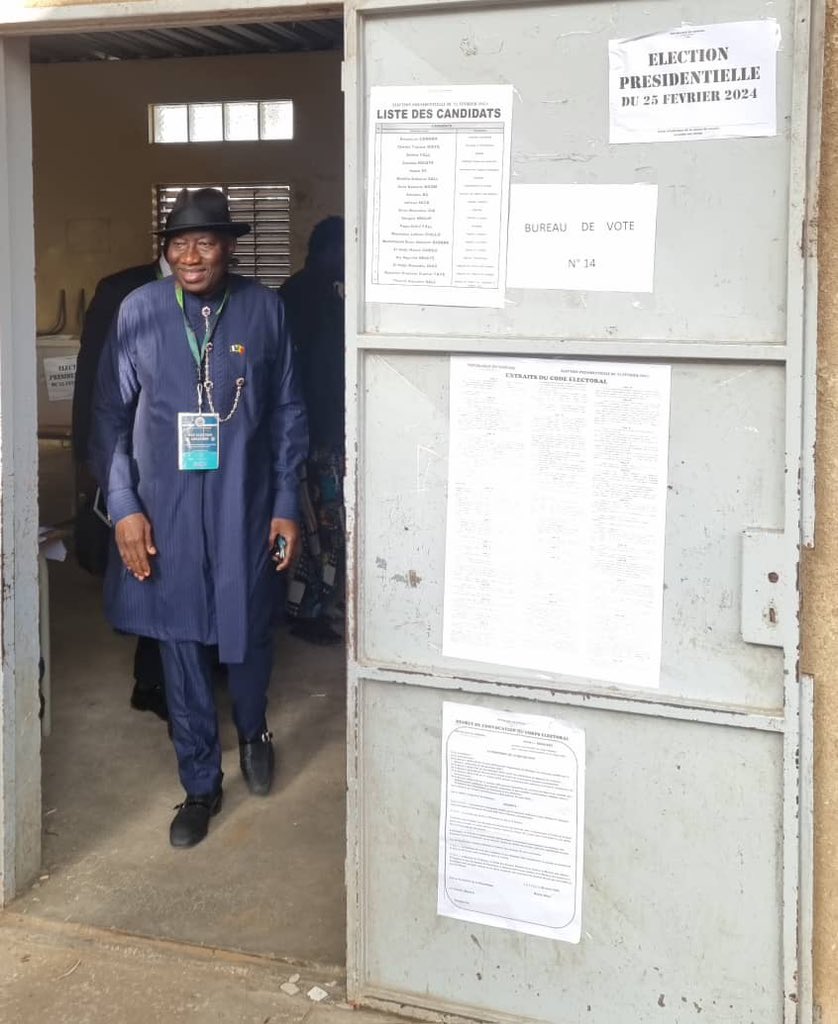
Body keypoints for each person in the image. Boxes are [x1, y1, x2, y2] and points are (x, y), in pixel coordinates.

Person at [91, 188, 308, 847]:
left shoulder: (264, 312)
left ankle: (255, 729)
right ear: (166, 251)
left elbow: (290, 415)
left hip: (245, 505)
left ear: (229, 247)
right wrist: (124, 507)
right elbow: (108, 419)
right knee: (179, 643)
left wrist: (285, 504)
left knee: (248, 633)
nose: (190, 255)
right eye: (178, 242)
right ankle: (200, 786)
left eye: (205, 241)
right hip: (167, 513)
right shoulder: (141, 311)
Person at [73, 251, 172, 721]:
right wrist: (86, 457)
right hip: (131, 454)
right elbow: (91, 377)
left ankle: (168, 671)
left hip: (192, 460)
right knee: (145, 562)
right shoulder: (122, 290)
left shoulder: (224, 294)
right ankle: (152, 678)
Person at [280, 217, 345, 645]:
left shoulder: (319, 292)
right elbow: (303, 374)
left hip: (320, 431)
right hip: (310, 434)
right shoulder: (303, 296)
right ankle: (305, 611)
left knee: (325, 524)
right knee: (314, 525)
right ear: (327, 252)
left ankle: (319, 602)